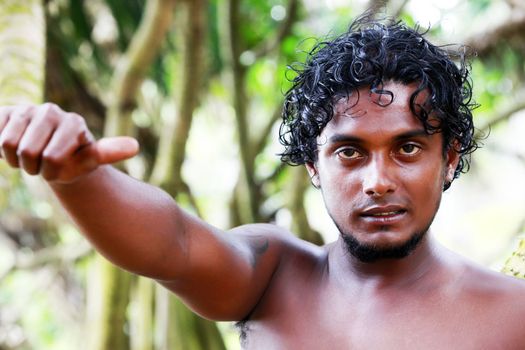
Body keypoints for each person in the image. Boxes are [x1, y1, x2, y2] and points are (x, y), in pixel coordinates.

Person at [1, 16, 525, 349]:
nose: (377, 181)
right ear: (314, 166)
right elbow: (171, 243)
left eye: (407, 148)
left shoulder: (512, 316)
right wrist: (77, 180)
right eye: (349, 152)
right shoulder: (272, 276)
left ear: (450, 158)